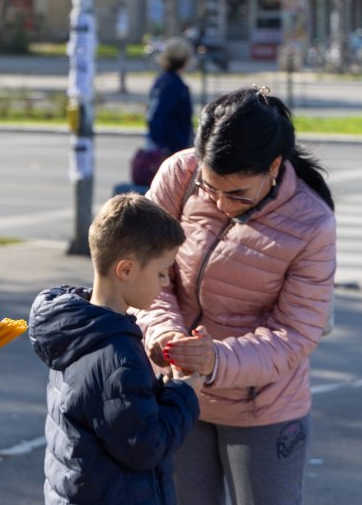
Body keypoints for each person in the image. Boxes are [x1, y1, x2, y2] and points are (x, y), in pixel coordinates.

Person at [137, 86, 336, 505]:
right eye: (210, 189)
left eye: (238, 194)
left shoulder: (311, 222)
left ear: (275, 167)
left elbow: (295, 334)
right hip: (178, 393)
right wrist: (164, 335)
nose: (222, 203)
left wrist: (216, 361)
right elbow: (143, 270)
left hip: (263, 408)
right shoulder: (180, 174)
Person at [28, 193, 201, 504]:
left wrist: (160, 389)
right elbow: (144, 446)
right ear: (126, 270)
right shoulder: (117, 355)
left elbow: (114, 415)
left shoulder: (78, 328)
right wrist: (186, 393)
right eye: (161, 272)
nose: (165, 283)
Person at [146, 37, 194, 157]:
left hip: (157, 143)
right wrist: (165, 147)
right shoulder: (175, 85)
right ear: (185, 61)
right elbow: (161, 114)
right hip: (171, 147)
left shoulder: (162, 81)